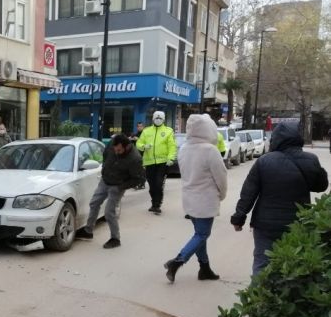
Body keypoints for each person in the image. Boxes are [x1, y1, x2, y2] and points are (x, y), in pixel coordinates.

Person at [230, 121, 328, 276]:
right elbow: (321, 186)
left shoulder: (263, 161)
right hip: (298, 222)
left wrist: (238, 218)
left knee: (262, 263)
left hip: (265, 225)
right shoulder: (310, 159)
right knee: (294, 263)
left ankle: (260, 296)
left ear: (276, 139)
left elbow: (249, 192)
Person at [163, 114, 228, 282]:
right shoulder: (210, 150)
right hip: (205, 200)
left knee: (200, 235)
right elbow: (221, 176)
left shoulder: (184, 148)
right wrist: (222, 194)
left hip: (189, 199)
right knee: (202, 234)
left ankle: (204, 269)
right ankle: (177, 261)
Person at [78, 134, 145, 248]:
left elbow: (138, 179)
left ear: (127, 146)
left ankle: (115, 238)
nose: (116, 152)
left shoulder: (135, 159)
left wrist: (121, 187)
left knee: (109, 212)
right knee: (94, 203)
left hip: (117, 186)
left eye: (119, 150)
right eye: (115, 149)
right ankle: (88, 231)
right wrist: (105, 168)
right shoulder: (112, 143)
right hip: (105, 180)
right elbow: (105, 154)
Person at [136, 111, 177, 215]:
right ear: (153, 119)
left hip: (162, 163)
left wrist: (170, 158)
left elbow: (172, 146)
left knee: (159, 184)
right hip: (149, 162)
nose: (158, 120)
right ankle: (153, 202)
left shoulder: (168, 131)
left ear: (163, 119)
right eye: (156, 118)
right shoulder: (146, 131)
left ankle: (157, 205)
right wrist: (143, 146)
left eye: (160, 118)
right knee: (152, 186)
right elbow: (138, 143)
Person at [129, 122, 146, 189]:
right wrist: (131, 139)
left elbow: (146, 143)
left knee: (142, 170)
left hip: (144, 154)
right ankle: (136, 183)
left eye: (141, 126)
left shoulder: (145, 135)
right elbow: (130, 141)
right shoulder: (135, 134)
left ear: (143, 127)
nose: (139, 127)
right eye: (138, 126)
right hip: (136, 154)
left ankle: (142, 184)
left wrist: (138, 139)